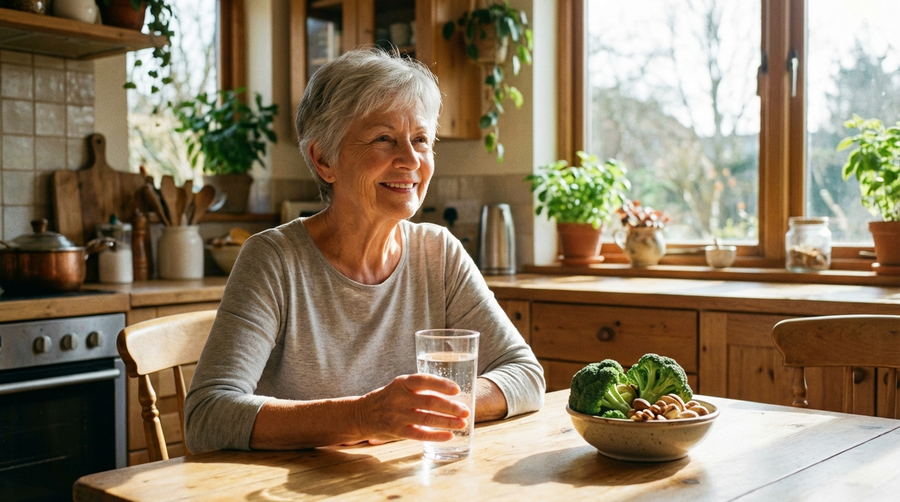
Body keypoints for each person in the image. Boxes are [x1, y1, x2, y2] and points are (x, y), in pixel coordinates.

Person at [184, 47, 545, 453]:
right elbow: (207, 415)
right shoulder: (274, 260)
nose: (411, 160)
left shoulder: (439, 253)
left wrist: (431, 409)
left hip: (401, 480)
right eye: (384, 139)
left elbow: (525, 374)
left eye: (420, 139)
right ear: (324, 159)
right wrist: (362, 417)